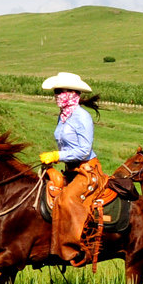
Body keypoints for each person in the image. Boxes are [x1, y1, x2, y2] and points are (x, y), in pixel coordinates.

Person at [41, 71, 101, 263]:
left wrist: (57, 155)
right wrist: (53, 159)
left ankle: (73, 249)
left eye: (61, 91)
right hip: (70, 169)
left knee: (65, 200)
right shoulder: (63, 116)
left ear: (73, 93)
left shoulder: (82, 117)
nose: (57, 95)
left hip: (86, 170)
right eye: (56, 92)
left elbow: (84, 150)